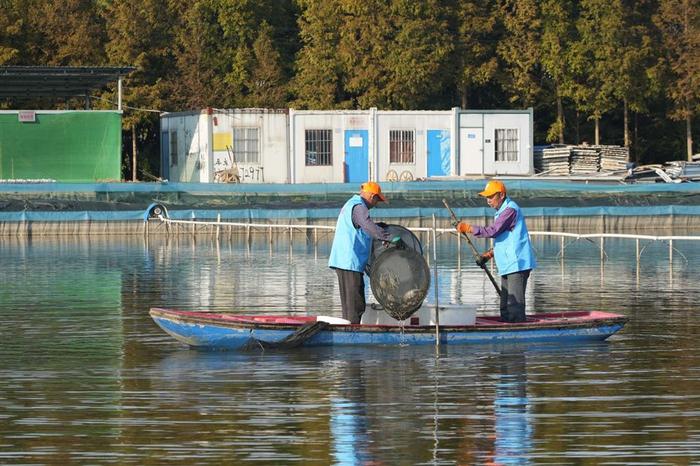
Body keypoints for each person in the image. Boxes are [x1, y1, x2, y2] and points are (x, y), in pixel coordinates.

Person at [455, 179, 536, 323]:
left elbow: (493, 231)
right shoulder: (501, 212)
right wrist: (488, 255)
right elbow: (505, 240)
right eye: (487, 197)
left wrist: (469, 228)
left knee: (514, 306)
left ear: (502, 195)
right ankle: (507, 333)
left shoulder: (510, 210)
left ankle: (517, 336)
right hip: (507, 264)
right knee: (505, 306)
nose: (488, 200)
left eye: (491, 196)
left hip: (518, 264)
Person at [329, 182, 393, 324]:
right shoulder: (359, 207)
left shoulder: (352, 204)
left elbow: (364, 227)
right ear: (371, 196)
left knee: (349, 303)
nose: (376, 204)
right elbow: (367, 224)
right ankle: (353, 333)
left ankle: (348, 329)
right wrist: (388, 237)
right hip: (349, 261)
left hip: (345, 261)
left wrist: (378, 229)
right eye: (377, 200)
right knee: (355, 304)